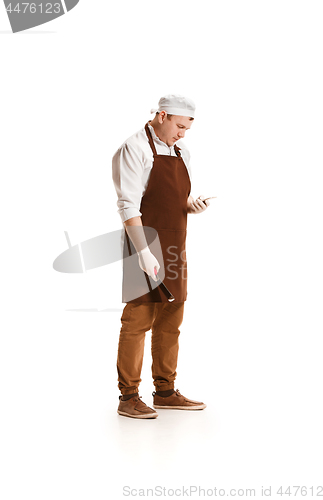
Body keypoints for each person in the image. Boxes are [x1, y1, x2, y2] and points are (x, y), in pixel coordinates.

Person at [112, 94, 211, 419]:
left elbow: (174, 197)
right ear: (162, 115)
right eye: (179, 126)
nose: (182, 133)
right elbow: (128, 205)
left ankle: (165, 391)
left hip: (174, 245)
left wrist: (189, 204)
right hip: (143, 243)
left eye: (187, 128)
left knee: (172, 321)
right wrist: (142, 252)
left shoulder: (182, 151)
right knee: (138, 321)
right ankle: (129, 397)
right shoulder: (135, 148)